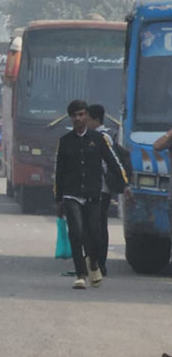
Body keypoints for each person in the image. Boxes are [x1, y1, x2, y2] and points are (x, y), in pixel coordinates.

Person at [55, 100, 128, 289]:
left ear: (87, 116)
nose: (78, 119)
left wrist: (124, 185)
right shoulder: (65, 141)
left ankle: (93, 262)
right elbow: (59, 171)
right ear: (71, 118)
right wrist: (58, 198)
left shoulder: (98, 139)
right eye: (75, 116)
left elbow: (114, 162)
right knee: (77, 232)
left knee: (95, 235)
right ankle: (80, 274)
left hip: (93, 195)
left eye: (81, 114)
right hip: (72, 194)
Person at [87, 104, 132, 276]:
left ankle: (99, 263)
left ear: (96, 119)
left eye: (87, 118)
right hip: (95, 188)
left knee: (97, 225)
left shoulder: (102, 137)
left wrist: (122, 184)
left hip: (101, 189)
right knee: (95, 225)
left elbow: (110, 164)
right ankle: (95, 261)